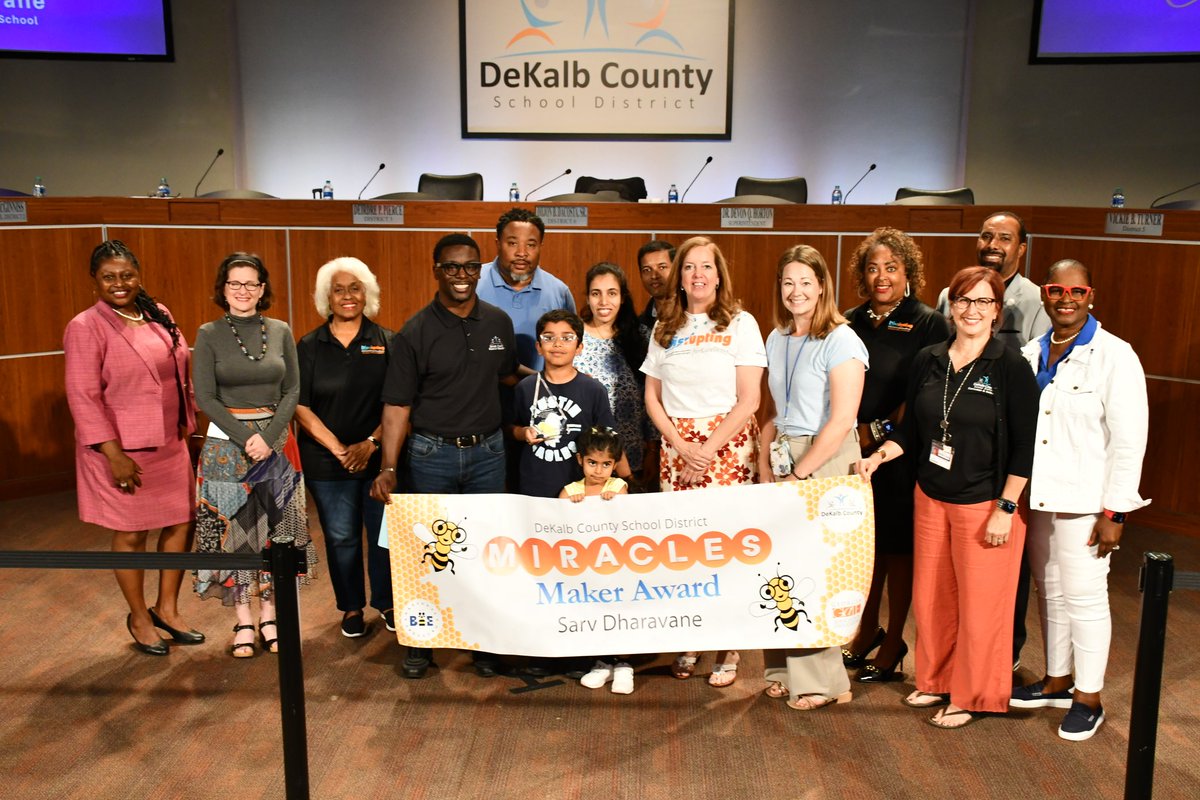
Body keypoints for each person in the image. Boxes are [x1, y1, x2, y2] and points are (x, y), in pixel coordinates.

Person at [856, 266, 1038, 729]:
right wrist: (879, 456)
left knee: (981, 607)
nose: (971, 310)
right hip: (931, 497)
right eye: (963, 300)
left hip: (985, 503)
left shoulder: (1009, 365)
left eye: (983, 302)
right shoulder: (930, 358)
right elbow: (914, 432)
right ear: (950, 306)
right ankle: (935, 679)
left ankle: (973, 695)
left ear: (997, 311)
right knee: (934, 597)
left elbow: (1024, 445)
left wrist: (1007, 507)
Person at [370, 233, 520, 679]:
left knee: (484, 553)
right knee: (430, 555)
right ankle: (422, 640)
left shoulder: (498, 322)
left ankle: (484, 642)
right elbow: (397, 407)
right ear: (436, 270)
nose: (461, 275)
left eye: (470, 267)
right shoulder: (414, 332)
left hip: (488, 454)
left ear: (480, 270)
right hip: (431, 454)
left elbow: (510, 375)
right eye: (452, 267)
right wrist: (389, 467)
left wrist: (561, 373)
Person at [1012, 259, 1149, 741]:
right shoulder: (1031, 351)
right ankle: (1057, 679)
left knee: (1086, 598)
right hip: (1039, 498)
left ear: (1090, 296)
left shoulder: (1116, 355)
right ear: (1045, 295)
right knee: (1048, 591)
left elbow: (1129, 442)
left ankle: (1089, 698)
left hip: (1087, 503)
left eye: (1076, 290)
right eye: (1056, 289)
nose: (1065, 298)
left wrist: (1115, 513)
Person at [64, 240, 203, 656]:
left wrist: (189, 423)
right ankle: (140, 617)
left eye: (126, 275)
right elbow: (82, 396)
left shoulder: (157, 312)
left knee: (180, 524)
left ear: (138, 275)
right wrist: (114, 455)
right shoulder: (86, 326)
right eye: (109, 276)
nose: (119, 283)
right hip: (121, 450)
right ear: (95, 281)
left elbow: (179, 373)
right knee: (131, 534)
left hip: (168, 440)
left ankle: (168, 609)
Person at [642, 235, 766, 687]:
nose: (697, 275)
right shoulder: (665, 327)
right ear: (680, 276)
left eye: (706, 267)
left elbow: (750, 399)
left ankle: (729, 644)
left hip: (726, 447)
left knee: (724, 548)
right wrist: (680, 444)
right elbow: (652, 397)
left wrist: (708, 448)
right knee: (685, 550)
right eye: (689, 267)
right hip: (677, 449)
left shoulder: (740, 322)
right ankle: (692, 635)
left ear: (719, 275)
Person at [936, 211, 1051, 670]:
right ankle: (955, 656)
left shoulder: (1036, 300)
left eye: (1005, 237)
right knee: (952, 571)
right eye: (987, 235)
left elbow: (1033, 372)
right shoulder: (951, 294)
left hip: (1002, 450)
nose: (994, 243)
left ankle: (1006, 656)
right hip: (954, 449)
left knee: (1004, 569)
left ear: (1021, 248)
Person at [757, 244, 868, 710]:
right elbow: (776, 412)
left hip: (824, 458)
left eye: (806, 281)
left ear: (822, 285)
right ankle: (783, 667)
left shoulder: (842, 339)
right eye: (788, 282)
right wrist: (766, 465)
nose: (796, 291)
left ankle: (822, 683)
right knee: (778, 566)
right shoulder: (777, 336)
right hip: (785, 455)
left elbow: (843, 419)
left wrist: (799, 473)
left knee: (816, 572)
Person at [192, 252, 315, 658]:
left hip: (277, 446)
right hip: (227, 448)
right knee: (236, 538)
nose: (243, 291)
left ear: (263, 290)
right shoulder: (208, 333)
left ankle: (270, 614)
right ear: (223, 289)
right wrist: (248, 437)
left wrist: (270, 435)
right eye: (235, 284)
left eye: (251, 284)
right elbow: (206, 397)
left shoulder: (279, 330)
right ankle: (243, 617)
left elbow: (292, 391)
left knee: (275, 534)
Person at [842, 229, 950, 682]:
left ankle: (893, 641)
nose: (881, 276)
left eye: (891, 267)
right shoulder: (848, 320)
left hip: (900, 452)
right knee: (868, 546)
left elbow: (925, 393)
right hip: (852, 452)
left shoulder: (928, 321)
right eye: (872, 267)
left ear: (908, 272)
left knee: (899, 550)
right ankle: (866, 629)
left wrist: (877, 433)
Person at [294, 257, 393, 639]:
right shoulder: (309, 345)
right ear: (326, 297)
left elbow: (399, 404)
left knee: (382, 536)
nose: (348, 296)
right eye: (339, 289)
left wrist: (369, 444)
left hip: (377, 459)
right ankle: (351, 607)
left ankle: (386, 602)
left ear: (366, 294)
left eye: (355, 288)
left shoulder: (388, 341)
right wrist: (339, 448)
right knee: (341, 538)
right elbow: (300, 406)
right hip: (326, 461)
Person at [512, 310, 631, 498]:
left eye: (567, 338)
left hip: (579, 490)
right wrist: (523, 432)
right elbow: (511, 428)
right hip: (534, 486)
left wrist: (628, 478)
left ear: (579, 347)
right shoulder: (525, 388)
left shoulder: (593, 389)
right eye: (549, 337)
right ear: (539, 347)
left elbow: (611, 438)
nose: (558, 344)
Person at [564, 427, 634, 694]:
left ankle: (625, 665)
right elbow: (557, 524)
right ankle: (602, 664)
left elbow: (626, 517)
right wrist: (570, 505)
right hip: (586, 569)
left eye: (606, 464)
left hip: (616, 566)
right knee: (595, 615)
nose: (598, 470)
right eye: (592, 462)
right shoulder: (570, 490)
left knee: (620, 614)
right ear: (580, 459)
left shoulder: (618, 487)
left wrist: (613, 502)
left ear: (615, 465)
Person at [574, 262, 649, 483]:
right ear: (587, 297)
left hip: (632, 451)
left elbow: (652, 394)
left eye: (612, 293)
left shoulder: (640, 336)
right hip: (588, 457)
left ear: (623, 297)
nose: (604, 302)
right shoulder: (573, 336)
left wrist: (653, 449)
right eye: (596, 294)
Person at [477, 206, 576, 371]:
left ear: (540, 247)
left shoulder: (559, 292)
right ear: (498, 244)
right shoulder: (475, 283)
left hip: (540, 392)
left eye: (531, 245)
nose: (521, 253)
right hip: (483, 392)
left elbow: (570, 347)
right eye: (512, 243)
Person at [636, 239, 675, 333]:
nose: (654, 276)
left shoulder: (695, 314)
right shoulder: (639, 327)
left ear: (676, 270)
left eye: (662, 267)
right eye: (647, 270)